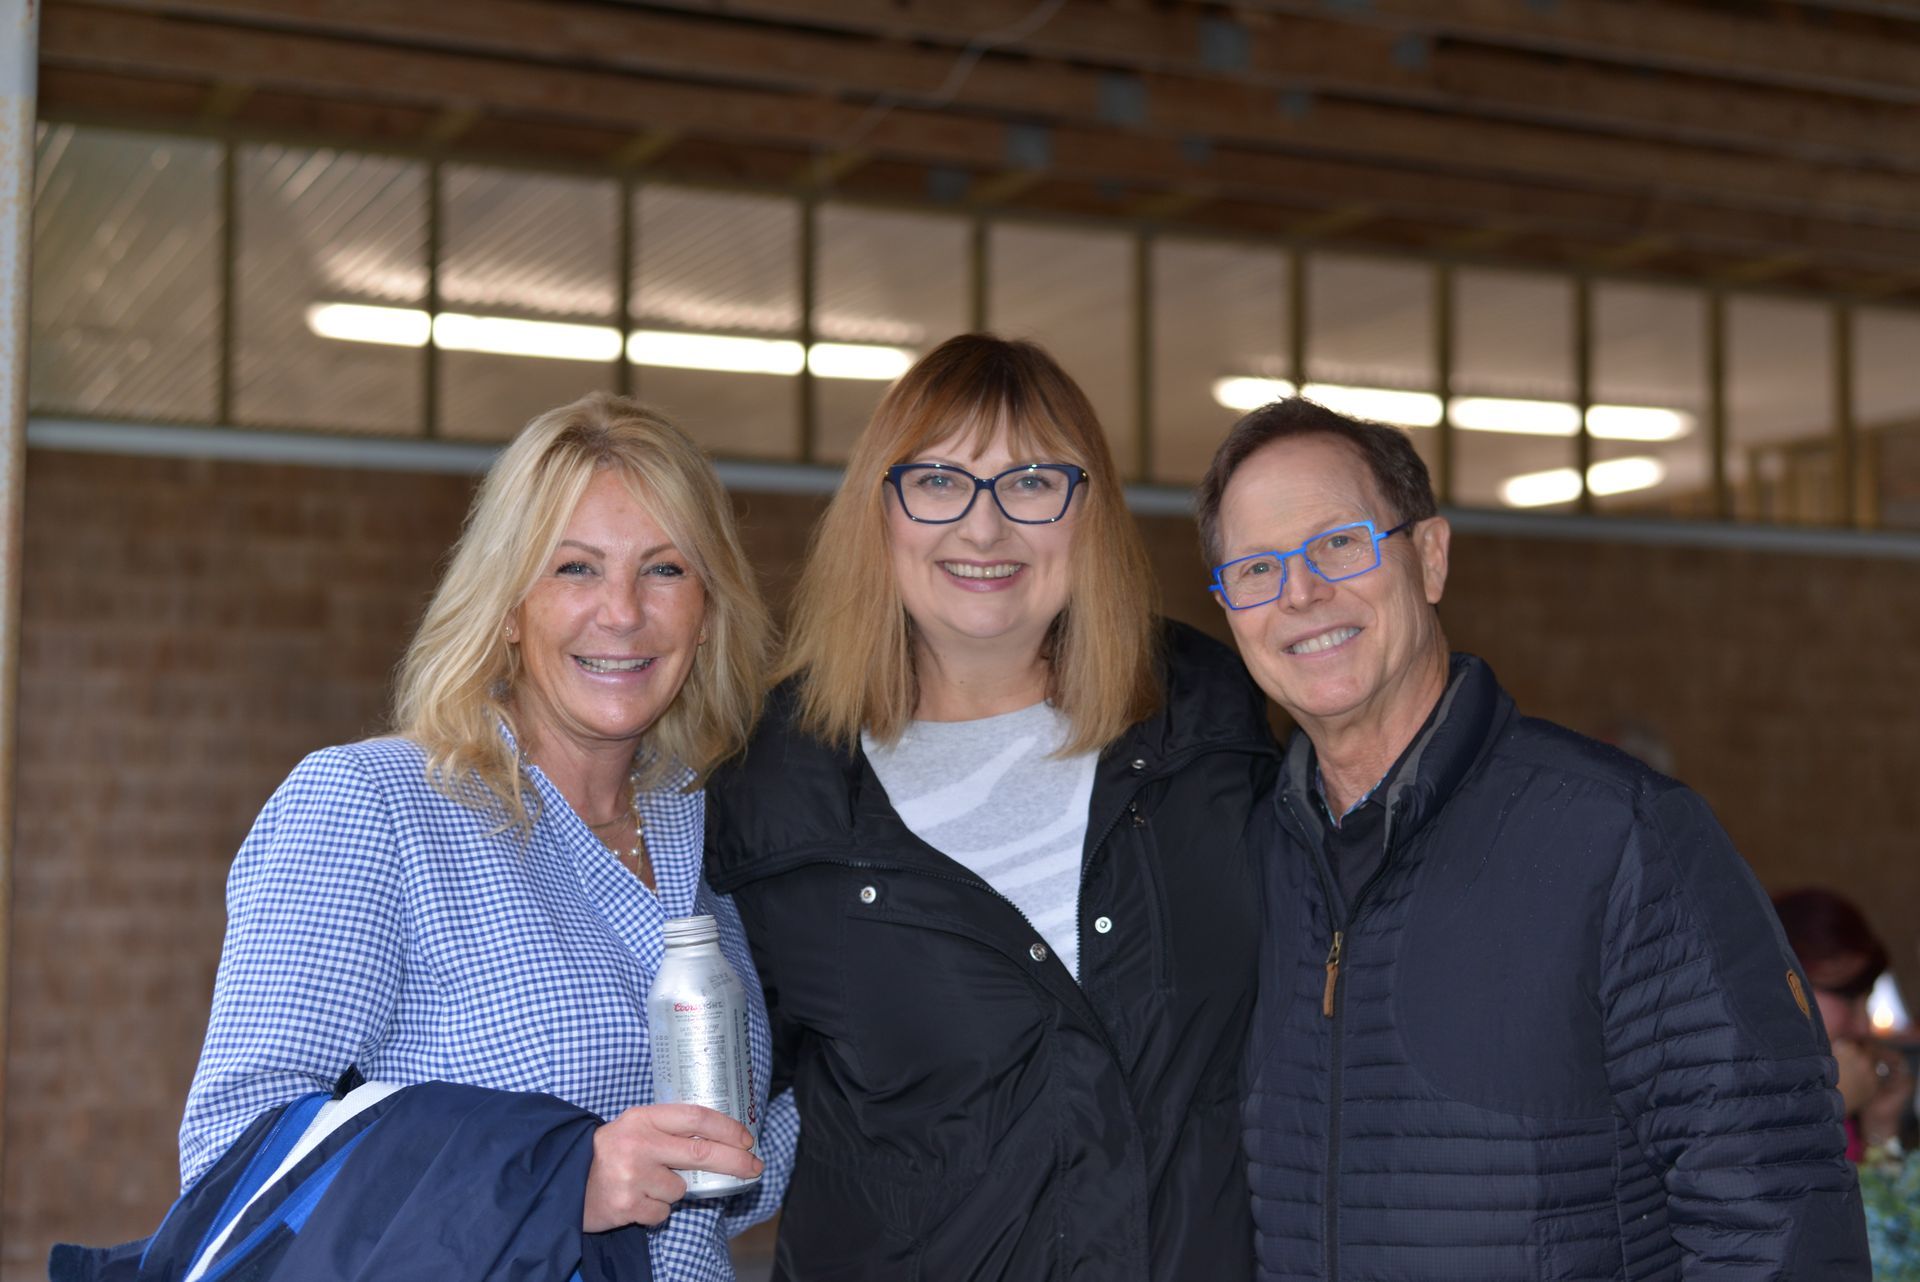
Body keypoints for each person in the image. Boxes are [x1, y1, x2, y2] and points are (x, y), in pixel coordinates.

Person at [1199, 397, 1871, 1279]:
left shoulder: (1619, 838)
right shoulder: (1238, 861)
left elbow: (1773, 1217)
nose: (1299, 593)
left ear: (1431, 557)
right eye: (1255, 568)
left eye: (1338, 543)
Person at [177, 392, 796, 1278]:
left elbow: (714, 1180)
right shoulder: (375, 805)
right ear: (509, 606)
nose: (622, 612)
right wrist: (556, 1178)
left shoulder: (704, 831)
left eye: (665, 570)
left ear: (707, 612)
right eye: (576, 568)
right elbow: (232, 1155)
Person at [705, 334, 1278, 1278]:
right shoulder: (770, 784)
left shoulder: (1211, 717)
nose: (983, 528)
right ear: (879, 511)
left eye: (1032, 482)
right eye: (938, 482)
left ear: (1088, 513)